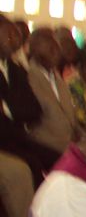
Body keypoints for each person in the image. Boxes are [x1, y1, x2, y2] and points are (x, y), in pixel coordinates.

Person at [0, 14, 53, 184]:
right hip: (4, 141)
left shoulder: (17, 70)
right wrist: (17, 109)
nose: (14, 40)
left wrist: (6, 108)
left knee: (58, 158)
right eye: (8, 34)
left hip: (17, 137)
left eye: (16, 35)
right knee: (31, 165)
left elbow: (35, 110)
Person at [25, 28, 77, 157]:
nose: (56, 53)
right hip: (45, 145)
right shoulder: (29, 76)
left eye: (57, 49)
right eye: (50, 49)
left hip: (69, 143)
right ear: (35, 51)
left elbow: (69, 116)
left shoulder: (57, 77)